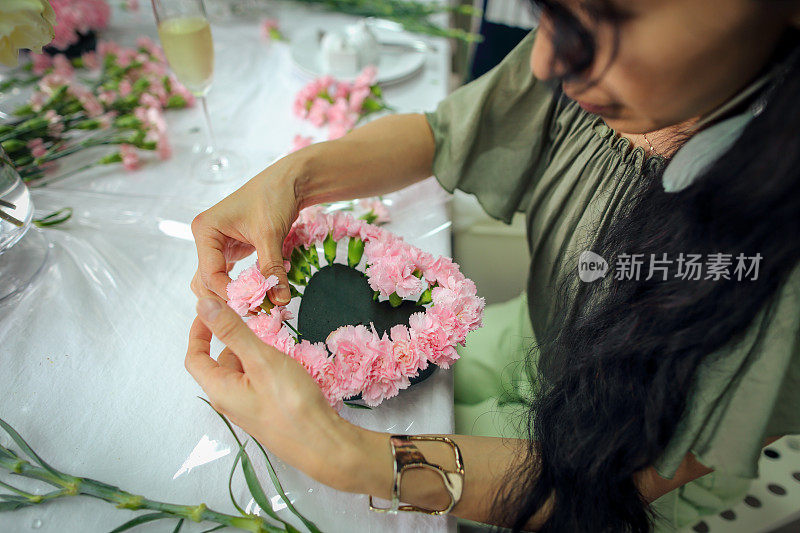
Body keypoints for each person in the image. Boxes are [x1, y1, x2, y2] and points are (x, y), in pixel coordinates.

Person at [186, 0, 800, 530]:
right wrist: (293, 179)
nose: (545, 63)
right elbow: (445, 133)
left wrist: (350, 458)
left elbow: (616, 485)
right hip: (531, 344)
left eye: (614, 13)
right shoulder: (601, 59)